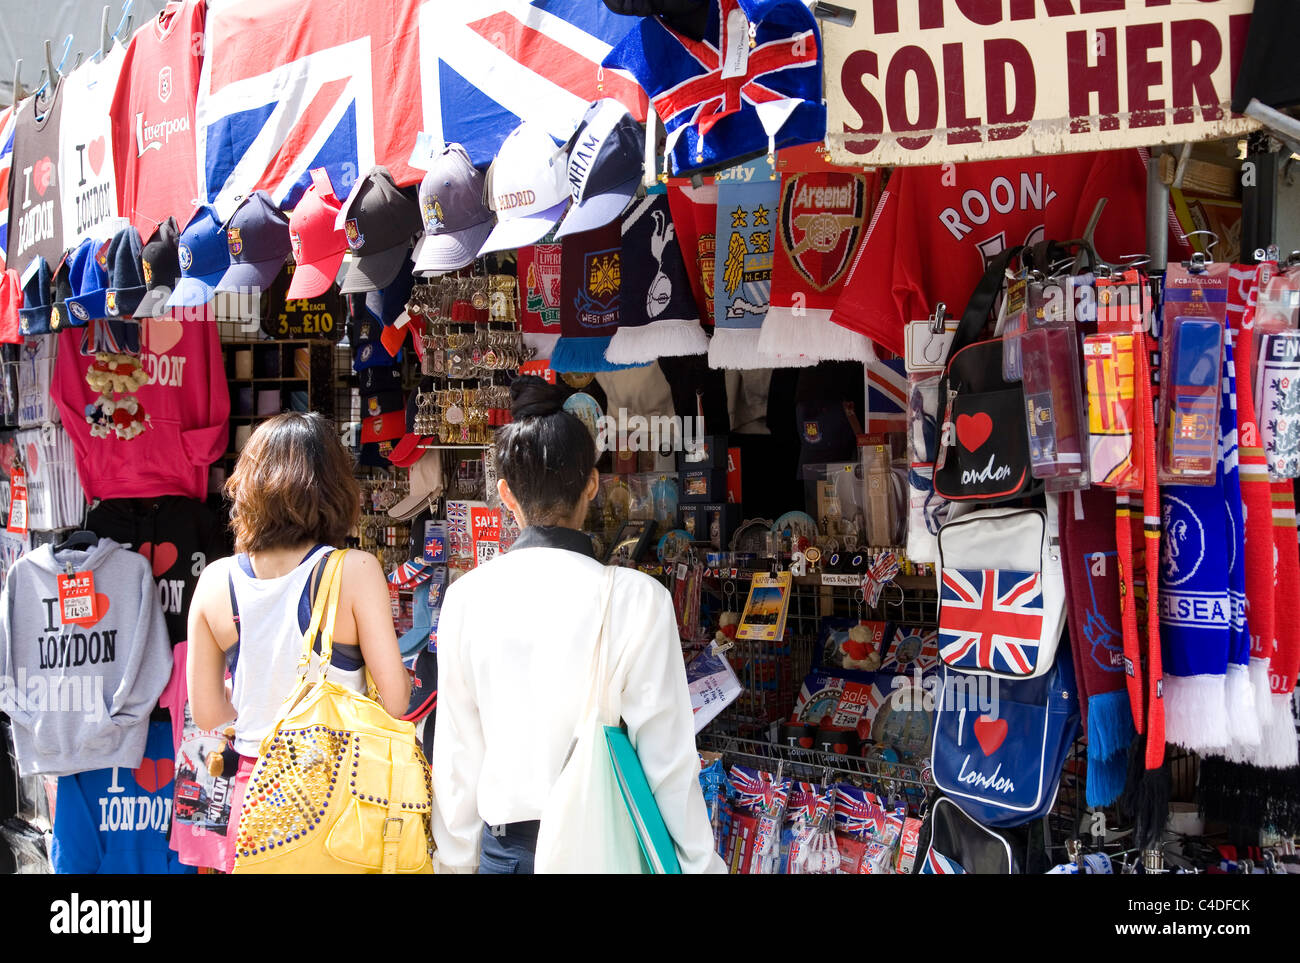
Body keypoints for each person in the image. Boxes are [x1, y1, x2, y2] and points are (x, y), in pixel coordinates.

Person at [431, 376, 724, 874]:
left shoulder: (465, 599)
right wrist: (700, 864)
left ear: (506, 494)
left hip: (507, 855)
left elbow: (458, 761)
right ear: (592, 482)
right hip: (603, 848)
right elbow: (669, 762)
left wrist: (455, 865)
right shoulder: (638, 599)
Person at [187, 412, 410, 873]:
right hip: (339, 799)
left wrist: (260, 692)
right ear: (332, 488)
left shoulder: (214, 581)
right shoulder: (353, 570)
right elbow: (395, 699)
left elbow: (208, 713)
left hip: (252, 796)